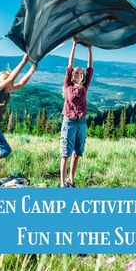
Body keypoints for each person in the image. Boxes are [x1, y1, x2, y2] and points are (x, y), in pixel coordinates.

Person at [60, 38, 93, 187]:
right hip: (69, 122)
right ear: (73, 75)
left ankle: (71, 181)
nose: (80, 74)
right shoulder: (68, 84)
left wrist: (89, 50)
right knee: (65, 153)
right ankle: (62, 183)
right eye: (77, 73)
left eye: (81, 73)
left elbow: (90, 69)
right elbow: (69, 66)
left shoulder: (85, 86)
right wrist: (74, 45)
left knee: (77, 153)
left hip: (82, 122)